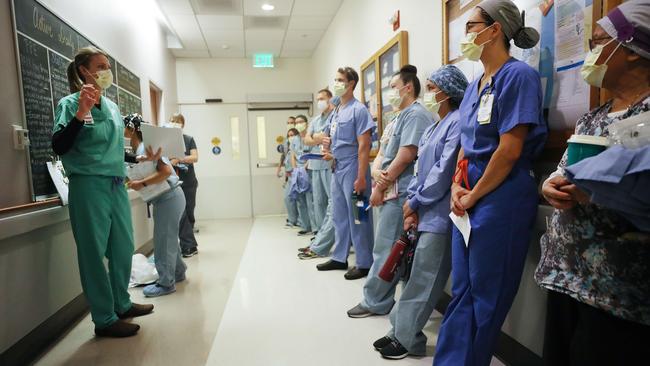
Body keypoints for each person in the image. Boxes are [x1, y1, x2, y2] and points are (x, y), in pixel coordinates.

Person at [433, 1, 548, 364]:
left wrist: (473, 196)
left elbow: (509, 150)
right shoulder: (472, 87)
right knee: (463, 288)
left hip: (503, 194)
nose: (466, 35)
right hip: (468, 192)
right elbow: (467, 145)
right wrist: (456, 187)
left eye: (471, 26)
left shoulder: (518, 77)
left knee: (487, 293)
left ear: (494, 29)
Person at [536, 1, 650, 364]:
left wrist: (596, 192)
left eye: (600, 42)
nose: (592, 53)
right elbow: (562, 170)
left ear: (632, 51)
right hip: (566, 276)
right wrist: (548, 186)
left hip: (618, 292)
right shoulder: (592, 119)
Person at [51, 47, 153, 338]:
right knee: (93, 254)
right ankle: (105, 318)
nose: (107, 71)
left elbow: (114, 149)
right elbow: (59, 145)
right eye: (101, 65)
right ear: (84, 70)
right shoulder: (70, 104)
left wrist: (140, 159)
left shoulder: (110, 107)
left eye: (108, 65)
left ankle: (121, 303)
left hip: (115, 183)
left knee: (123, 248)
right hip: (88, 186)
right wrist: (81, 113)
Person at [372, 65, 468, 359]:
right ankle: (399, 331)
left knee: (426, 278)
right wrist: (411, 202)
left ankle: (406, 338)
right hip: (422, 211)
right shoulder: (432, 127)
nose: (428, 93)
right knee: (413, 278)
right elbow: (418, 170)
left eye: (432, 87)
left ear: (448, 91)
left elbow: (443, 172)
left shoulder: (458, 123)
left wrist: (416, 202)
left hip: (440, 214)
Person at [347, 65, 431, 317]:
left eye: (393, 87)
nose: (390, 92)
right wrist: (374, 173)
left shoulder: (416, 115)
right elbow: (383, 153)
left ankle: (376, 301)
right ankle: (381, 297)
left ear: (408, 87)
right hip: (387, 190)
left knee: (386, 248)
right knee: (385, 247)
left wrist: (379, 187)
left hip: (399, 193)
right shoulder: (396, 118)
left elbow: (405, 156)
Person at [317, 67, 375, 280]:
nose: (336, 83)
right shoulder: (336, 110)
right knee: (339, 215)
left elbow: (364, 146)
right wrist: (327, 148)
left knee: (358, 217)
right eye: (335, 79)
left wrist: (361, 177)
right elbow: (330, 137)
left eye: (340, 80)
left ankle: (364, 262)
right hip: (337, 166)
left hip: (353, 167)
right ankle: (340, 257)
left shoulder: (358, 110)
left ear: (351, 84)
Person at [124, 115, 187, 297]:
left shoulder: (148, 147)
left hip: (170, 196)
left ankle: (166, 283)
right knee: (167, 238)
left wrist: (141, 184)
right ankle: (178, 272)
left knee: (162, 241)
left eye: (124, 127)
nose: (122, 131)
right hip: (162, 199)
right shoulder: (135, 150)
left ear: (132, 129)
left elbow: (166, 172)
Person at [299, 90, 336, 259]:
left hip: (329, 165)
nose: (319, 102)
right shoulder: (315, 120)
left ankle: (323, 243)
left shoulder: (334, 116)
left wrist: (316, 137)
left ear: (330, 100)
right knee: (318, 204)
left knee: (332, 205)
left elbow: (329, 137)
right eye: (317, 99)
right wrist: (318, 137)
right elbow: (306, 140)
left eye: (322, 99)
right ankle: (319, 239)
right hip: (315, 166)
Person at [167, 113, 200, 257]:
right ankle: (188, 245)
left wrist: (179, 159)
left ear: (182, 124)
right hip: (173, 182)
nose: (175, 123)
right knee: (180, 213)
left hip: (189, 182)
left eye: (178, 121)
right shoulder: (166, 141)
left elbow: (195, 157)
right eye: (172, 121)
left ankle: (188, 243)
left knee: (188, 211)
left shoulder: (188, 139)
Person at [290, 117, 314, 236]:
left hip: (308, 170)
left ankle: (315, 227)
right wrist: (295, 169)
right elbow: (293, 155)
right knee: (300, 200)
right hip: (297, 172)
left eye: (300, 122)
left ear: (306, 123)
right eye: (296, 123)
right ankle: (306, 226)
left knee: (310, 200)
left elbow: (313, 153)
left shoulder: (310, 137)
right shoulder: (294, 139)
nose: (298, 124)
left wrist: (305, 167)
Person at [283, 128, 301, 228]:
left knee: (297, 200)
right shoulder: (289, 150)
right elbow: (287, 165)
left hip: (296, 176)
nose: (290, 137)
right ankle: (292, 219)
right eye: (289, 135)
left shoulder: (297, 148)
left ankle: (297, 220)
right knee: (287, 199)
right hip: (290, 178)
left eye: (292, 135)